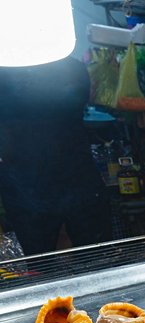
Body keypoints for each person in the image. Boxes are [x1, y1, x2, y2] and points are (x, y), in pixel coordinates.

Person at [0, 57, 111, 255]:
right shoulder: (72, 68)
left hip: (59, 176)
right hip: (31, 180)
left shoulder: (69, 68)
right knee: (89, 255)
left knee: (92, 255)